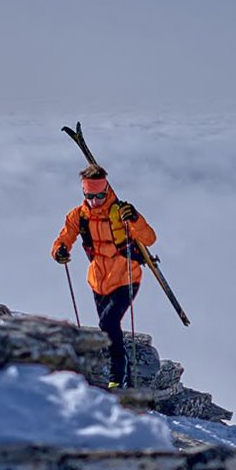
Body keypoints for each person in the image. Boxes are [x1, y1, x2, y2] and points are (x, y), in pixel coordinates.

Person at [51, 164, 156, 389]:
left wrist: (135, 219)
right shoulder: (78, 216)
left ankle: (119, 376)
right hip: (98, 281)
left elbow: (149, 239)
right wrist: (59, 250)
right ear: (84, 193)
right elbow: (65, 237)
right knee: (108, 329)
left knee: (107, 322)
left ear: (107, 190)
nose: (96, 201)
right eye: (90, 196)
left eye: (100, 195)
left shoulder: (122, 211)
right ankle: (115, 374)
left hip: (127, 276)